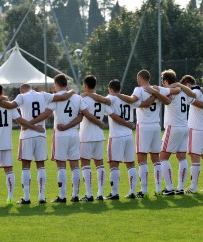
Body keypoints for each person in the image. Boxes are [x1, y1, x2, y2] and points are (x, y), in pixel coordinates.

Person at [28, 74, 105, 203]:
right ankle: (75, 195)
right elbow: (81, 117)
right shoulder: (77, 98)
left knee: (61, 166)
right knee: (75, 165)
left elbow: (46, 114)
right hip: (74, 134)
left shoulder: (56, 98)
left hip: (60, 134)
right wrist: (69, 125)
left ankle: (62, 196)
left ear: (56, 84)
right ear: (67, 84)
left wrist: (30, 123)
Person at [0, 84, 75, 204]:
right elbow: (63, 97)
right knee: (41, 166)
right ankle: (41, 196)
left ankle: (27, 197)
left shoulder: (22, 96)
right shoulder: (43, 95)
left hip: (26, 135)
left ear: (21, 90)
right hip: (41, 134)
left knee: (25, 167)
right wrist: (71, 91)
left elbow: (10, 105)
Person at [114, 69, 180, 197]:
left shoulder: (138, 90)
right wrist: (156, 93)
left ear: (139, 79)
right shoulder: (159, 89)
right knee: (156, 159)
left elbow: (132, 100)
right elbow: (175, 92)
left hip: (143, 126)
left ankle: (143, 190)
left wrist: (118, 95)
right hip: (156, 126)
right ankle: (158, 189)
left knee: (142, 159)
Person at [159, 69, 195, 195]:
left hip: (173, 127)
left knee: (163, 157)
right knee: (181, 157)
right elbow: (193, 97)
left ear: (165, 81)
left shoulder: (170, 91)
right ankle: (180, 188)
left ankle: (169, 188)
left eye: (163, 81)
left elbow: (165, 98)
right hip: (185, 127)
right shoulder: (184, 92)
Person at [78, 75, 113, 201]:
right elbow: (110, 109)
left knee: (85, 164)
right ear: (95, 85)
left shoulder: (83, 99)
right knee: (100, 164)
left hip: (86, 135)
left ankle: (88, 194)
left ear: (85, 85)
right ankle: (99, 194)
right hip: (99, 135)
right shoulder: (101, 99)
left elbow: (81, 115)